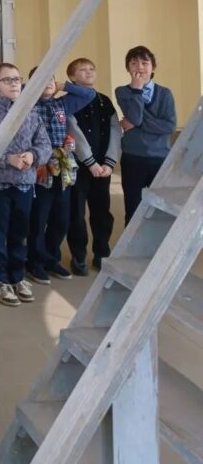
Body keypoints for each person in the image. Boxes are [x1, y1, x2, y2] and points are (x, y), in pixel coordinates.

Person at [0, 63, 52, 308]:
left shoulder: (31, 112)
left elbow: (44, 144)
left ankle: (17, 276)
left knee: (20, 233)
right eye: (7, 80)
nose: (15, 83)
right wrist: (8, 159)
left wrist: (33, 156)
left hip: (25, 184)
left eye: (17, 79)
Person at [26, 68, 96, 284]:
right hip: (40, 168)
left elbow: (89, 94)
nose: (47, 82)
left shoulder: (62, 104)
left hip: (63, 168)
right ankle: (35, 262)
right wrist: (33, 87)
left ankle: (51, 258)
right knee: (39, 219)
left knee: (61, 219)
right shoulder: (27, 105)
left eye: (51, 78)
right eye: (42, 79)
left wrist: (63, 85)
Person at [65, 58, 120, 275]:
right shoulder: (67, 102)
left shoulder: (104, 101)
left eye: (91, 68)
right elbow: (74, 132)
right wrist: (90, 162)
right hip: (79, 166)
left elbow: (115, 130)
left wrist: (109, 162)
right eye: (82, 70)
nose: (88, 72)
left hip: (103, 167)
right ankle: (79, 255)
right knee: (76, 212)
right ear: (72, 77)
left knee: (102, 211)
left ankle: (102, 252)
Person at [115, 45, 177, 224]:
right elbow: (136, 117)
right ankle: (130, 242)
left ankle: (160, 242)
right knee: (133, 206)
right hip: (133, 157)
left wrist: (136, 123)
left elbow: (169, 126)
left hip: (160, 157)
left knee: (161, 207)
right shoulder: (122, 91)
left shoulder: (165, 93)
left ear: (153, 67)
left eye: (145, 62)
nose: (139, 67)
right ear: (128, 68)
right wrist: (137, 90)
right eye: (134, 63)